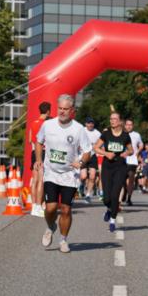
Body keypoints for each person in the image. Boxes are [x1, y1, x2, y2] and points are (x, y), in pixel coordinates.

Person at [35, 94, 92, 253]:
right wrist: (39, 159)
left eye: (66, 109)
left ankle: (63, 240)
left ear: (72, 110)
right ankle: (50, 226)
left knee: (66, 209)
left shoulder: (78, 128)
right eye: (60, 108)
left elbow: (87, 151)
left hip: (69, 175)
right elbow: (39, 142)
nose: (62, 112)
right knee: (51, 208)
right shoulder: (48, 125)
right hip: (51, 173)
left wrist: (80, 163)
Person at [94, 111, 133, 232]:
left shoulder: (125, 135)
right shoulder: (106, 134)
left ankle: (112, 220)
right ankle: (109, 209)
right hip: (107, 166)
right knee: (106, 198)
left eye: (115, 119)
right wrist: (106, 153)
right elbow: (95, 147)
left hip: (120, 167)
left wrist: (126, 153)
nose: (112, 121)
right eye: (111, 119)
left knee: (115, 195)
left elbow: (131, 150)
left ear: (120, 121)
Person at [28, 102, 51, 217]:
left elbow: (29, 139)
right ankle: (38, 206)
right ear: (48, 111)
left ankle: (34, 206)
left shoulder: (33, 123)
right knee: (41, 180)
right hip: (42, 152)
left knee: (35, 180)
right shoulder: (46, 124)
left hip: (33, 152)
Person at [80, 117, 101, 203]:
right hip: (83, 155)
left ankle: (88, 195)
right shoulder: (82, 131)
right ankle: (81, 185)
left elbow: (100, 144)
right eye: (88, 123)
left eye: (92, 123)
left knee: (92, 176)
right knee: (84, 176)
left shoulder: (97, 133)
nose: (90, 124)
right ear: (85, 124)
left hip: (92, 156)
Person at [123, 118, 143, 206]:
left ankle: (129, 198)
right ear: (125, 125)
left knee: (131, 179)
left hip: (132, 160)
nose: (129, 126)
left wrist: (138, 152)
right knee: (122, 179)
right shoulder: (121, 134)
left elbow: (141, 144)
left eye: (130, 125)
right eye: (127, 124)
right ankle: (123, 193)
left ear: (133, 126)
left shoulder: (137, 135)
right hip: (122, 160)